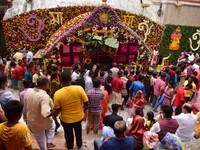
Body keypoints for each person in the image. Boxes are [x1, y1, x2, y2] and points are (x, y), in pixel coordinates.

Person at [53, 70, 88, 150]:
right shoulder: (79, 89)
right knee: (78, 132)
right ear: (70, 79)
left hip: (66, 120)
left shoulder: (57, 93)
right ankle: (79, 145)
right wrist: (83, 110)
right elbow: (86, 103)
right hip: (79, 117)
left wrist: (53, 116)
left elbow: (57, 110)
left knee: (68, 134)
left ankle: (70, 146)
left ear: (61, 80)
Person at [24, 76, 55, 150]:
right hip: (39, 124)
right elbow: (46, 113)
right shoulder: (44, 96)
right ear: (46, 85)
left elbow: (25, 105)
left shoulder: (29, 91)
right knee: (43, 146)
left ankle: (48, 142)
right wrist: (54, 112)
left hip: (31, 121)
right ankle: (48, 142)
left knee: (52, 125)